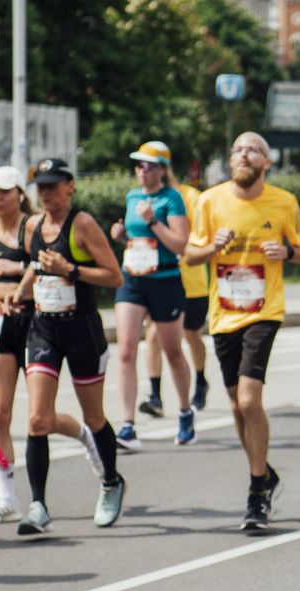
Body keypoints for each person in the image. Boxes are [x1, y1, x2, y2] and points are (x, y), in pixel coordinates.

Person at [184, 132, 300, 531]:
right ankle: (264, 472)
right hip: (224, 316)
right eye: (237, 149)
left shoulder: (284, 202)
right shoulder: (211, 201)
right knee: (237, 407)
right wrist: (211, 248)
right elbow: (190, 254)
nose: (243, 155)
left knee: (249, 399)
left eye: (252, 150)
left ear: (266, 162)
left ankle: (257, 490)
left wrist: (287, 252)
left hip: (264, 311)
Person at [0, 166, 103, 524]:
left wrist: (18, 268)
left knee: (42, 417)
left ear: (19, 194)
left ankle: (86, 435)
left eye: (3, 192)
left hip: (36, 318)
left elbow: (41, 262)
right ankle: (6, 496)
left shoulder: (34, 226)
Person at [5, 158, 127, 536]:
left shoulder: (83, 224)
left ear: (70, 186)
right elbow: (35, 266)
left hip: (82, 329)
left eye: (54, 186)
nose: (46, 193)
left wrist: (70, 270)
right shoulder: (32, 227)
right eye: (41, 186)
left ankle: (110, 482)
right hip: (43, 329)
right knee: (38, 418)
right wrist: (20, 292)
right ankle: (38, 506)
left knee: (93, 418)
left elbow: (114, 276)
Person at [109, 141, 195, 451]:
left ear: (161, 169)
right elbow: (135, 237)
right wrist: (121, 235)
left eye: (148, 165)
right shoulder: (132, 196)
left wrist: (152, 220)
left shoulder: (172, 199)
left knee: (172, 352)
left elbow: (180, 245)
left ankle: (185, 411)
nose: (141, 171)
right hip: (132, 278)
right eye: (138, 165)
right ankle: (128, 425)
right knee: (126, 350)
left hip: (165, 281)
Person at [141, 173, 211, 417]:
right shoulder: (144, 198)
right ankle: (155, 396)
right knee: (152, 335)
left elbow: (201, 236)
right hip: (158, 279)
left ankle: (201, 380)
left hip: (192, 281)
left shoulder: (191, 197)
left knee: (191, 334)